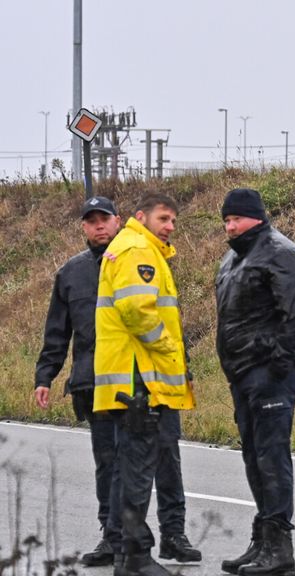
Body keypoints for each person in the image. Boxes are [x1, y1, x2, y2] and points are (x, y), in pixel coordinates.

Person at [93, 193, 199, 576]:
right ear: (141, 217)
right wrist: (169, 348)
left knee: (131, 466)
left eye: (173, 220)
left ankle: (127, 552)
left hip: (134, 377)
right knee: (138, 468)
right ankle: (135, 558)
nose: (170, 227)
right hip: (141, 378)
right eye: (163, 218)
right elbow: (138, 310)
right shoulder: (139, 249)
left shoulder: (137, 247)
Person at [215, 188, 295, 576]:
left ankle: (280, 547)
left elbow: (294, 317)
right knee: (253, 456)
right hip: (242, 375)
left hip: (271, 373)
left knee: (272, 455)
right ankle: (263, 538)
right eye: (226, 220)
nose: (230, 226)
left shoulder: (280, 251)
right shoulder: (232, 258)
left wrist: (277, 368)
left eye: (235, 218)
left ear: (254, 216)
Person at [33, 196, 122, 566]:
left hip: (132, 382)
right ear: (83, 227)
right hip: (89, 382)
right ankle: (110, 535)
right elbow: (57, 331)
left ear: (118, 222)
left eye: (105, 219)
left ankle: (131, 536)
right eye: (91, 221)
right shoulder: (70, 273)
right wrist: (45, 376)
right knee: (106, 462)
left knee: (129, 462)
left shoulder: (137, 263)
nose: (99, 226)